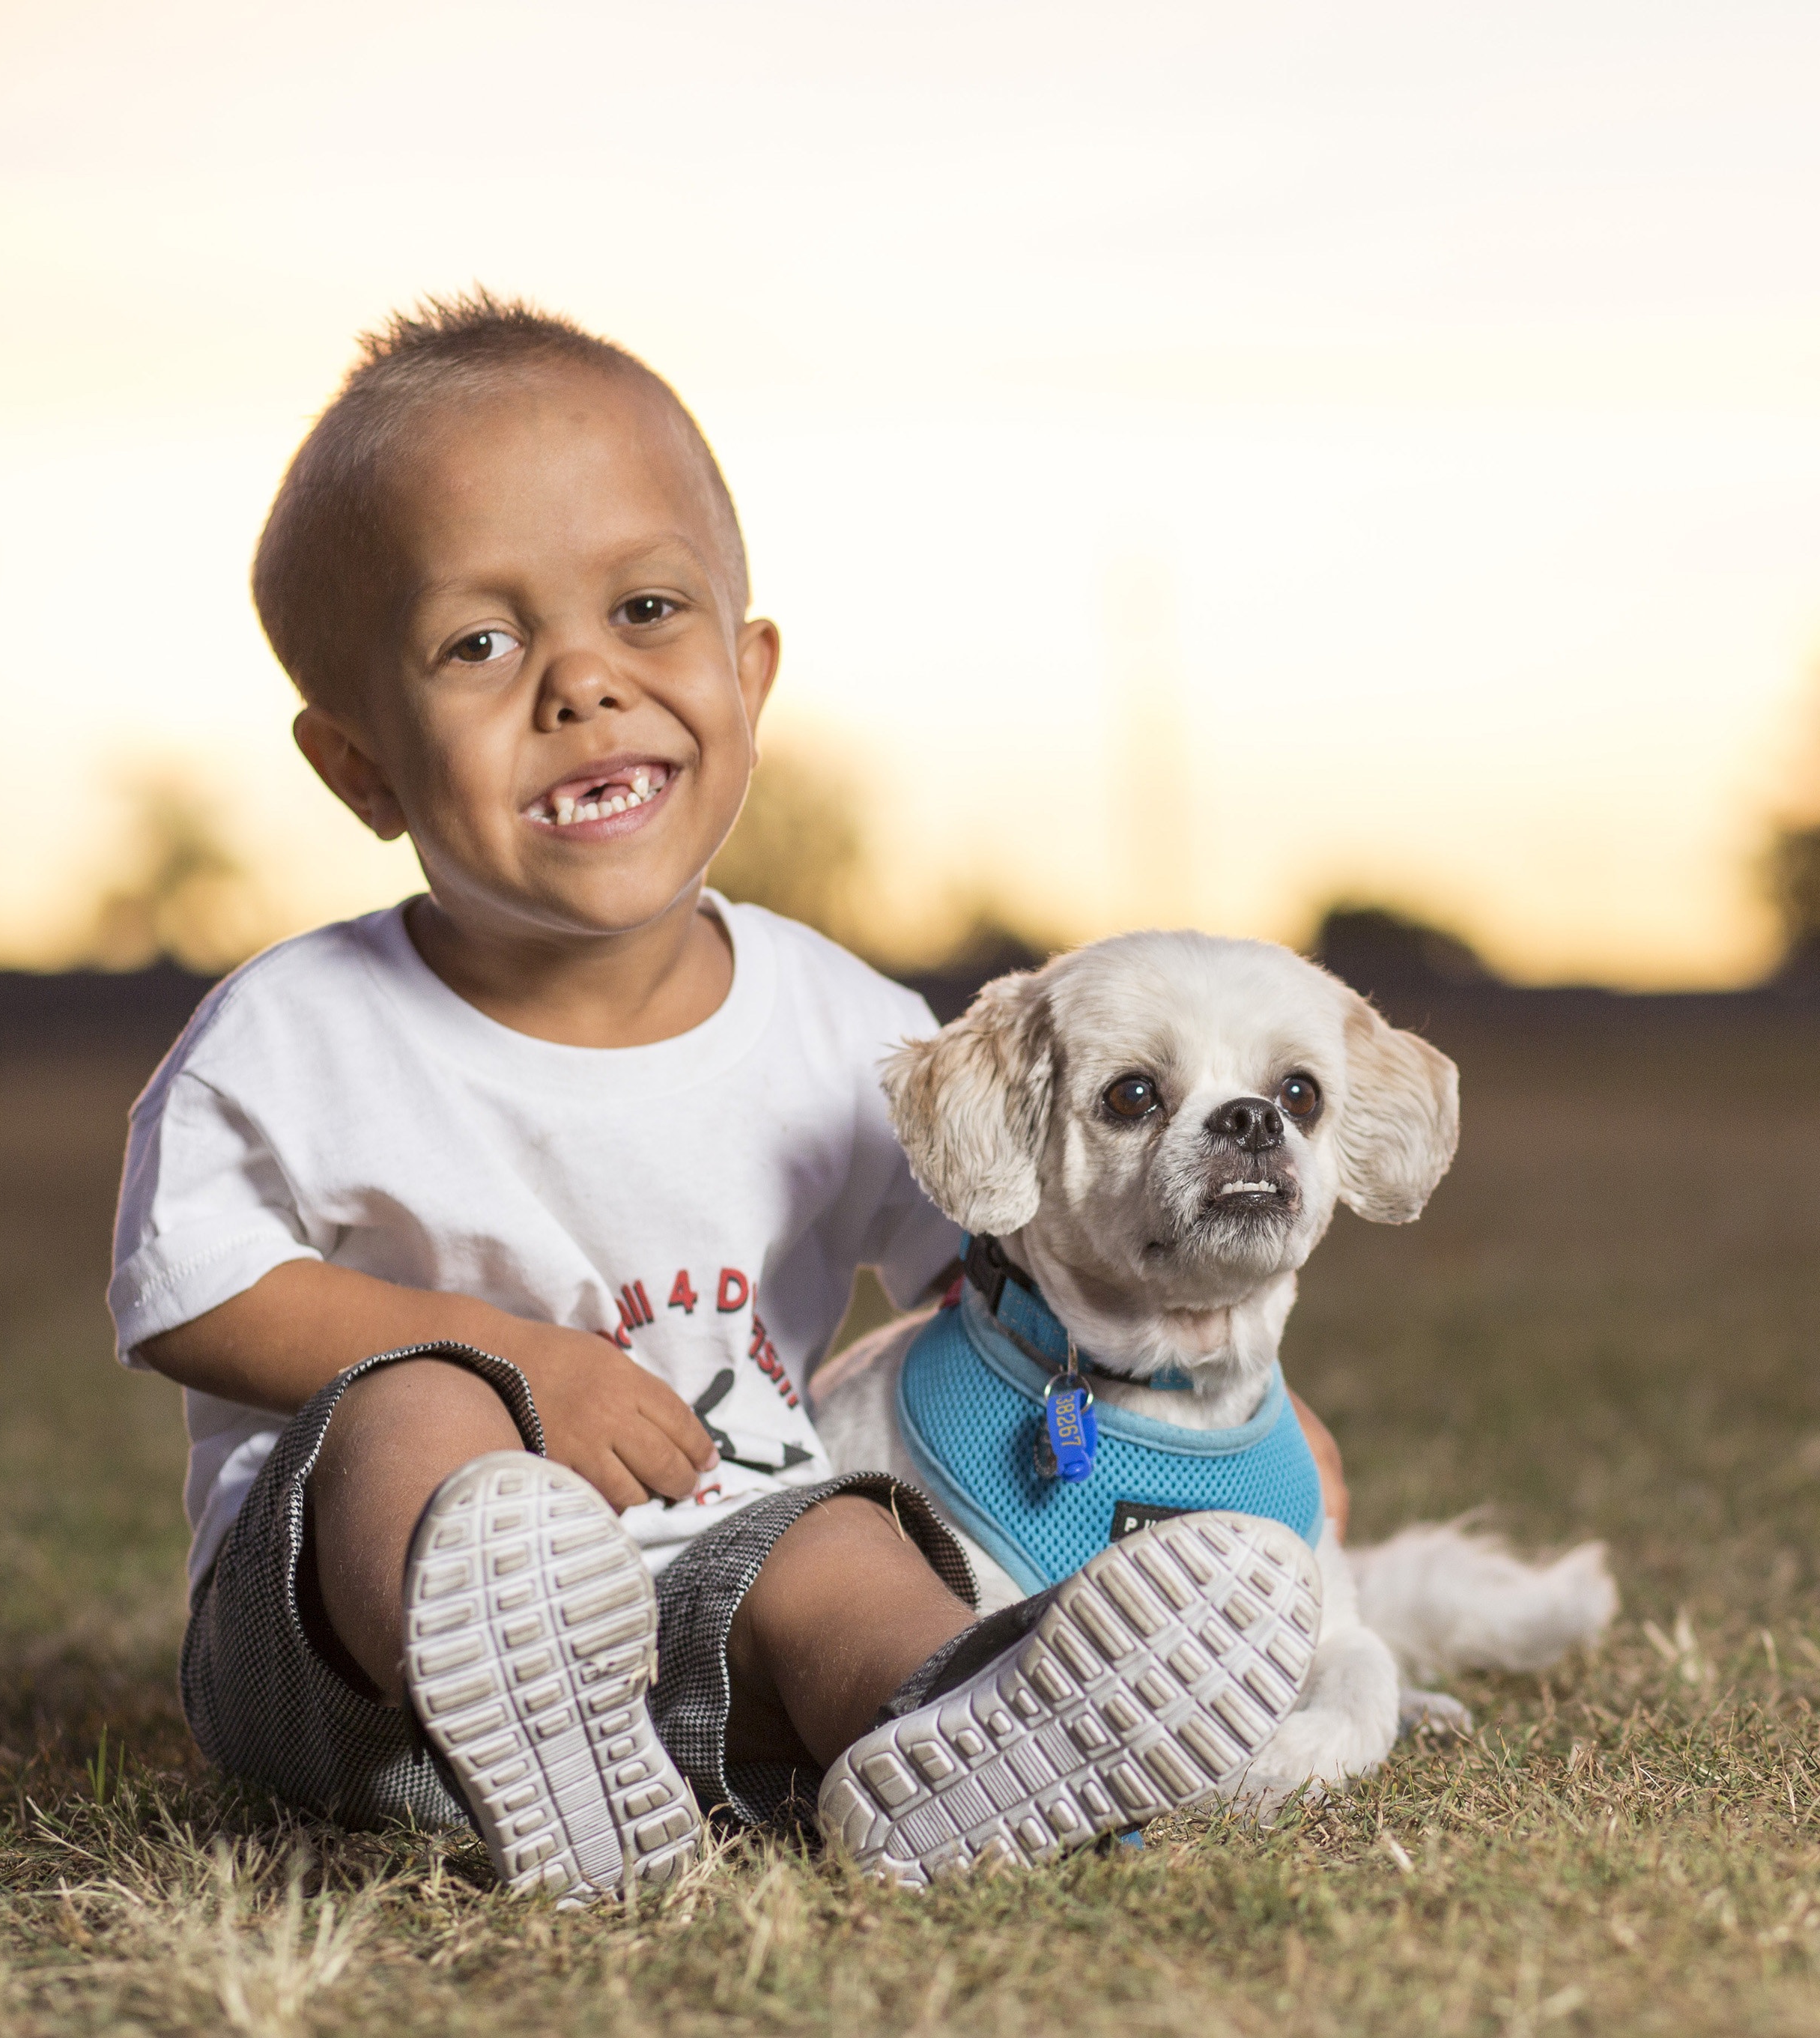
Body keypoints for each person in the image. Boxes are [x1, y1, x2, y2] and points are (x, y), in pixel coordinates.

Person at [109, 292, 1335, 1897]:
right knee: (425, 1412)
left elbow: (1010, 1273)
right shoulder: (301, 1028)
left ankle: (950, 1731)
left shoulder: (834, 1023)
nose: (581, 683)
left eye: (645, 607)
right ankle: (516, 1701)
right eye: (480, 642)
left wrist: (1229, 1411)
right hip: (345, 1650)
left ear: (748, 676)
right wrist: (518, 1366)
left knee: (838, 1548)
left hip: (704, 1570)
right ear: (363, 767)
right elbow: (192, 1294)